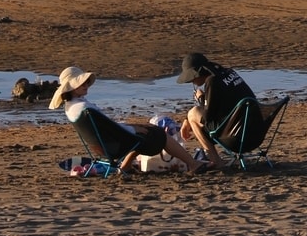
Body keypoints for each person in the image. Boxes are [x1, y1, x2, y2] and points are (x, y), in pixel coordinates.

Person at [49, 67, 204, 175]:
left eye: (86, 82)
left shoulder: (71, 108)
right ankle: (193, 164)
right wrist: (136, 129)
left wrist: (135, 127)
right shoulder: (85, 108)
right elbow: (113, 129)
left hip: (100, 147)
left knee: (144, 130)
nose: (85, 85)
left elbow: (108, 127)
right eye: (81, 83)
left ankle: (126, 166)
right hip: (115, 146)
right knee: (159, 134)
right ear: (71, 88)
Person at [177, 53, 256, 170]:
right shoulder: (229, 73)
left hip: (236, 139)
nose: (192, 81)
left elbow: (208, 117)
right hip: (255, 134)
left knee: (193, 113)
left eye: (192, 78)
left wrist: (200, 98)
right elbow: (222, 104)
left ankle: (216, 160)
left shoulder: (212, 81)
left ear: (198, 73)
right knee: (192, 116)